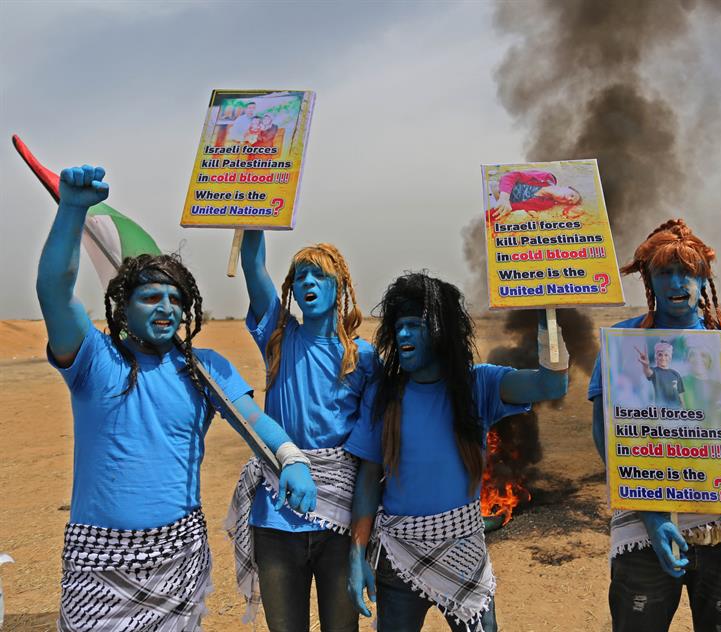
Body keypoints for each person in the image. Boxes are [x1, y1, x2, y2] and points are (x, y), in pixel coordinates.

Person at [37, 165, 318, 631]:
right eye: (151, 298)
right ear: (123, 306)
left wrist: (291, 458)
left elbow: (253, 420)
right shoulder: (94, 359)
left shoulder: (203, 369)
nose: (166, 308)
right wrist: (71, 211)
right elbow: (54, 290)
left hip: (179, 558)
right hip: (99, 565)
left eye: (175, 299)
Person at [345, 272, 570, 631]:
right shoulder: (385, 395)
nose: (403, 335)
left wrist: (548, 317)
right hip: (399, 554)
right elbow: (369, 477)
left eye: (414, 326)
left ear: (441, 331)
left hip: (465, 550)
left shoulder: (478, 385)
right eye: (399, 326)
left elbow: (550, 385)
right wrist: (357, 556)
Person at [590, 219, 721, 632]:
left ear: (703, 277)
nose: (677, 282)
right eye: (665, 272)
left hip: (720, 522)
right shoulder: (623, 343)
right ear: (649, 280)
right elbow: (606, 434)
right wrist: (652, 514)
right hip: (644, 520)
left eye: (687, 272)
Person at [224, 231, 379, 631]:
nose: (308, 282)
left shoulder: (362, 357)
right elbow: (252, 264)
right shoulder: (279, 337)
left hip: (339, 520)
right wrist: (253, 215)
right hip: (277, 515)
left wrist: (361, 540)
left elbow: (368, 455)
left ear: (339, 285)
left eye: (319, 275)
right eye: (300, 276)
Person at [488, 169, 582, 222]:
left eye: (569, 202)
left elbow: (516, 207)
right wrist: (504, 198)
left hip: (493, 203)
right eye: (572, 195)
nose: (568, 198)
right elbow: (511, 175)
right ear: (566, 187)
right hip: (491, 187)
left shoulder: (546, 204)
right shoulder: (547, 177)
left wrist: (487, 216)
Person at [636, 339, 686, 408]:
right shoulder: (655, 372)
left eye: (666, 355)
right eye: (660, 355)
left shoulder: (676, 373)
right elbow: (648, 373)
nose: (663, 358)